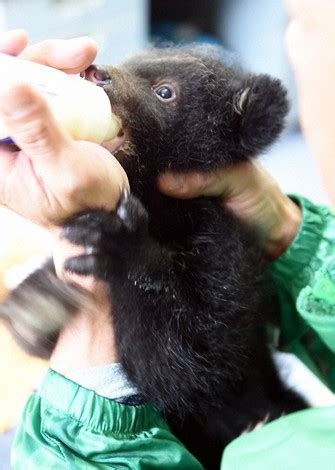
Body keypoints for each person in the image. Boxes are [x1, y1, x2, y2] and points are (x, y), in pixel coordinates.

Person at [0, 0, 334, 465]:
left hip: (232, 433)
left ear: (236, 130)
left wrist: (121, 275)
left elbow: (185, 378)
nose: (105, 76)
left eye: (164, 94)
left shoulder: (214, 234)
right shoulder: (239, 218)